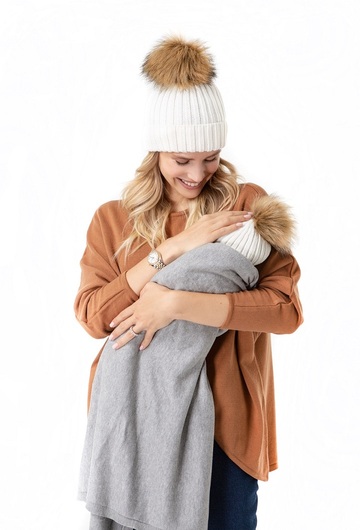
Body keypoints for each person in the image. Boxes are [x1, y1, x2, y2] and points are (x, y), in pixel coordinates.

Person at [74, 36, 303, 530]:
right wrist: (173, 249)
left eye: (211, 158)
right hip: (132, 426)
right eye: (182, 160)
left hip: (225, 429)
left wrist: (177, 303)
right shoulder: (112, 221)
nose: (198, 174)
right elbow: (95, 318)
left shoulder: (247, 207)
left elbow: (285, 311)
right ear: (156, 149)